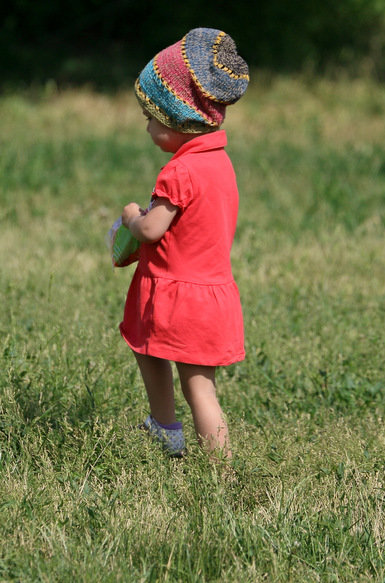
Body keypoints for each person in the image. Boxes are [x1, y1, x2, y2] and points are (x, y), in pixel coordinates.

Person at [118, 28, 249, 459]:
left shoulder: (178, 172)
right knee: (201, 390)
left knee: (156, 356)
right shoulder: (220, 164)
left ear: (179, 118)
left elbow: (154, 229)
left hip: (176, 298)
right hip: (211, 298)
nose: (149, 127)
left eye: (152, 117)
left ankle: (167, 427)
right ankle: (218, 471)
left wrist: (132, 218)